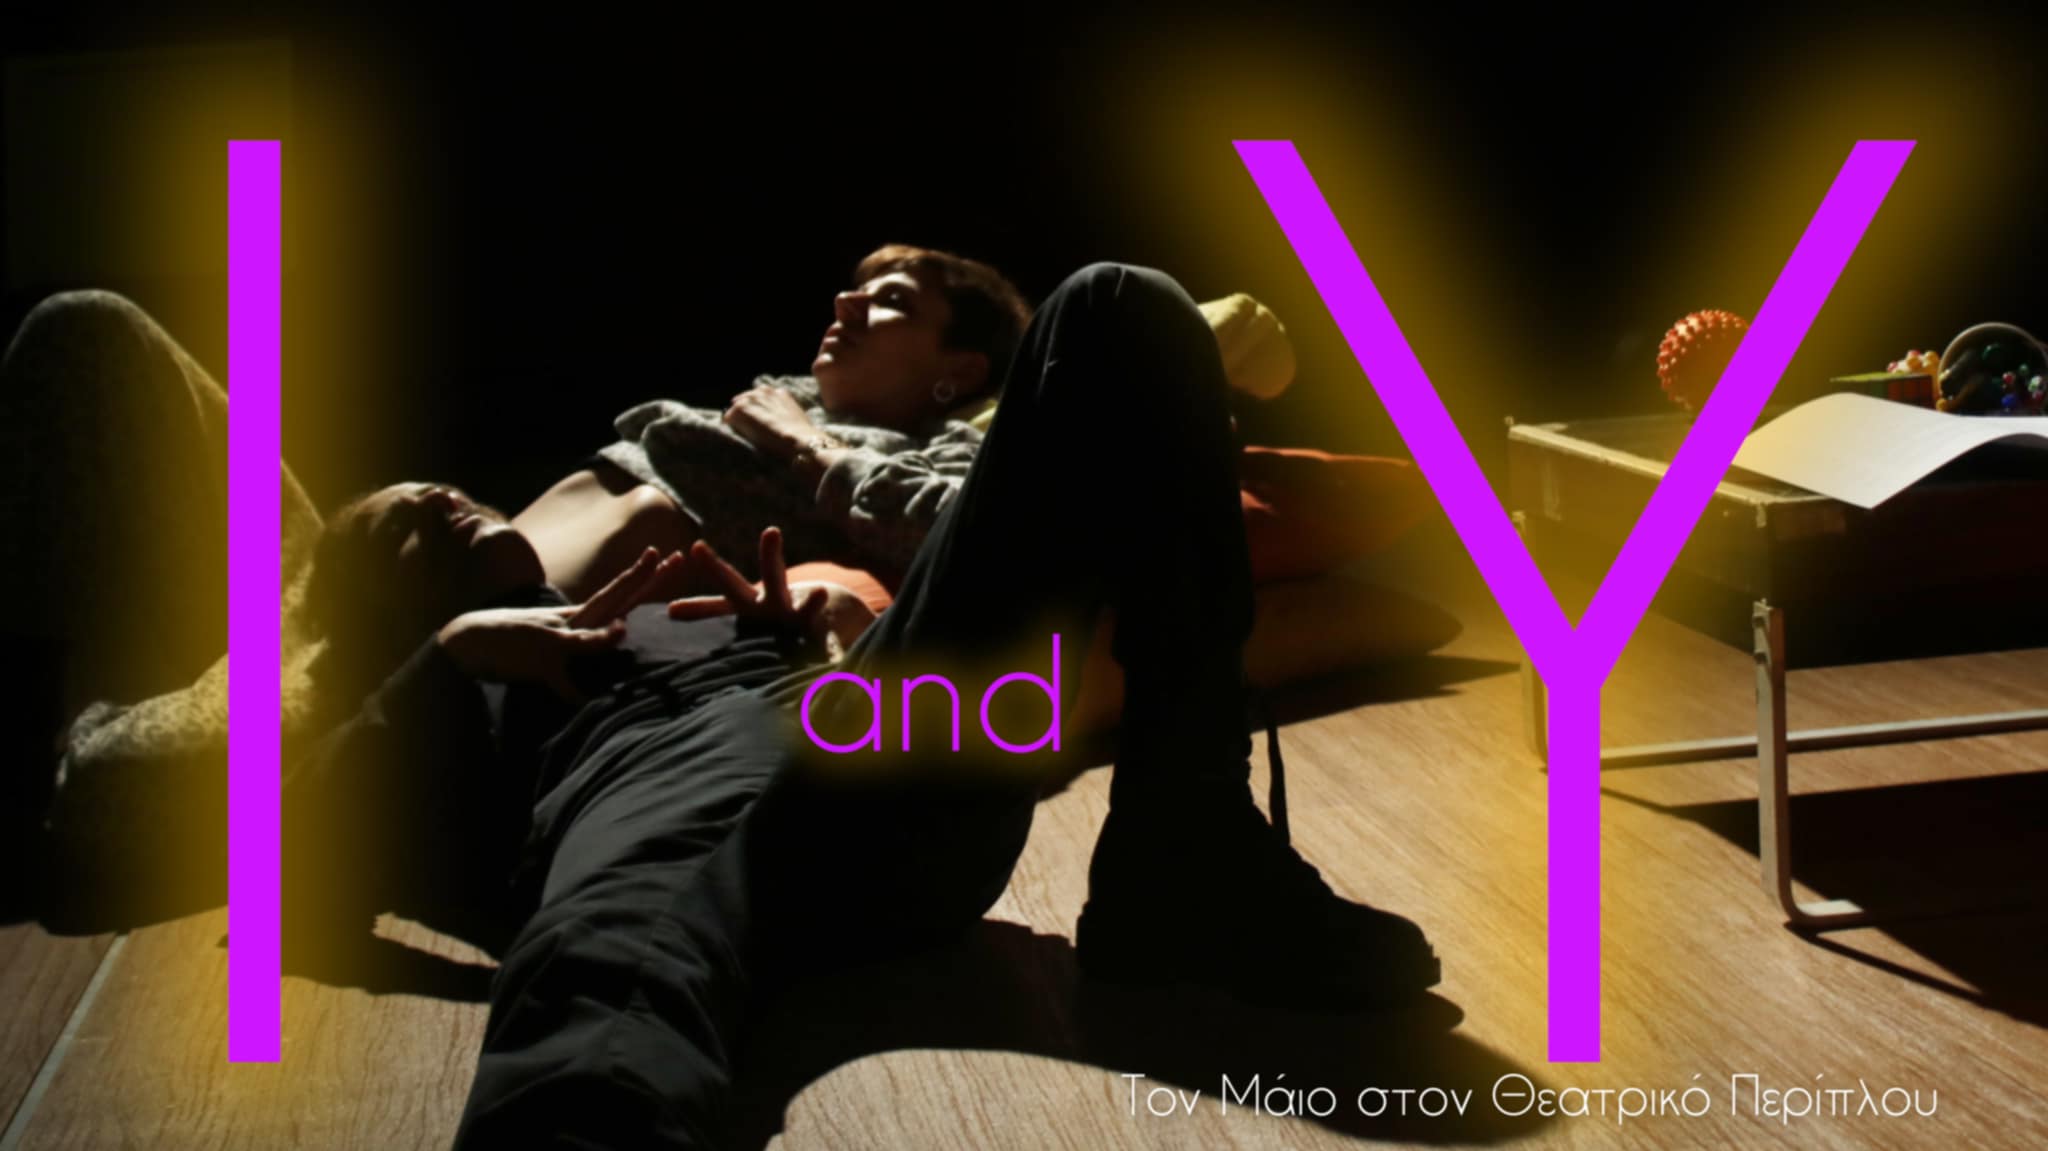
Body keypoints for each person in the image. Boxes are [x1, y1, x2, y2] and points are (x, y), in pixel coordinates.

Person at [426, 262, 1441, 1147]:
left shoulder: (898, 445)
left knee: (1120, 301)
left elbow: (1018, 529)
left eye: (889, 298)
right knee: (611, 972)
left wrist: (814, 627)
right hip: (667, 784)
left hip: (868, 736)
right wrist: (451, 651)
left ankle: (1183, 857)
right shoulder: (456, 676)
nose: (438, 500)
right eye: (402, 521)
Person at [514, 243, 1035, 596]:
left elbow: (958, 534)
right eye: (857, 290)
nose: (846, 302)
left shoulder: (950, 449)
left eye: (894, 301)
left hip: (564, 601)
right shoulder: (774, 396)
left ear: (961, 370)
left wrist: (801, 440)